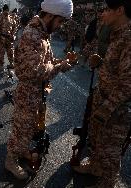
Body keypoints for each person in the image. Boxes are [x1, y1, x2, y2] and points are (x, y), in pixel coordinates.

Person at [5, 0, 78, 179]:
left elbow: (47, 61)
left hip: (35, 91)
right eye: (60, 21)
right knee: (22, 127)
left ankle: (21, 151)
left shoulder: (42, 33)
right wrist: (60, 67)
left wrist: (62, 63)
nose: (60, 26)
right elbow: (35, 70)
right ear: (51, 15)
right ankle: (10, 160)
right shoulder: (33, 34)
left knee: (28, 127)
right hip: (28, 91)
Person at [73, 0, 131, 187]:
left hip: (116, 108)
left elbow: (128, 82)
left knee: (110, 153)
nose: (102, 14)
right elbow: (118, 67)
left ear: (120, 10)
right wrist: (102, 62)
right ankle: (94, 167)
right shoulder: (117, 34)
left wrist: (105, 109)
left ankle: (105, 182)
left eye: (107, 9)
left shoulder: (129, 38)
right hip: (103, 97)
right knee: (97, 141)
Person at [0, 4, 16, 73]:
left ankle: (11, 63)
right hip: (2, 39)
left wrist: (13, 35)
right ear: (3, 10)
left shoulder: (11, 18)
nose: (6, 12)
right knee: (2, 53)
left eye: (7, 11)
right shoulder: (0, 18)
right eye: (5, 11)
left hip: (9, 39)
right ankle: (1, 66)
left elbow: (14, 26)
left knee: (10, 52)